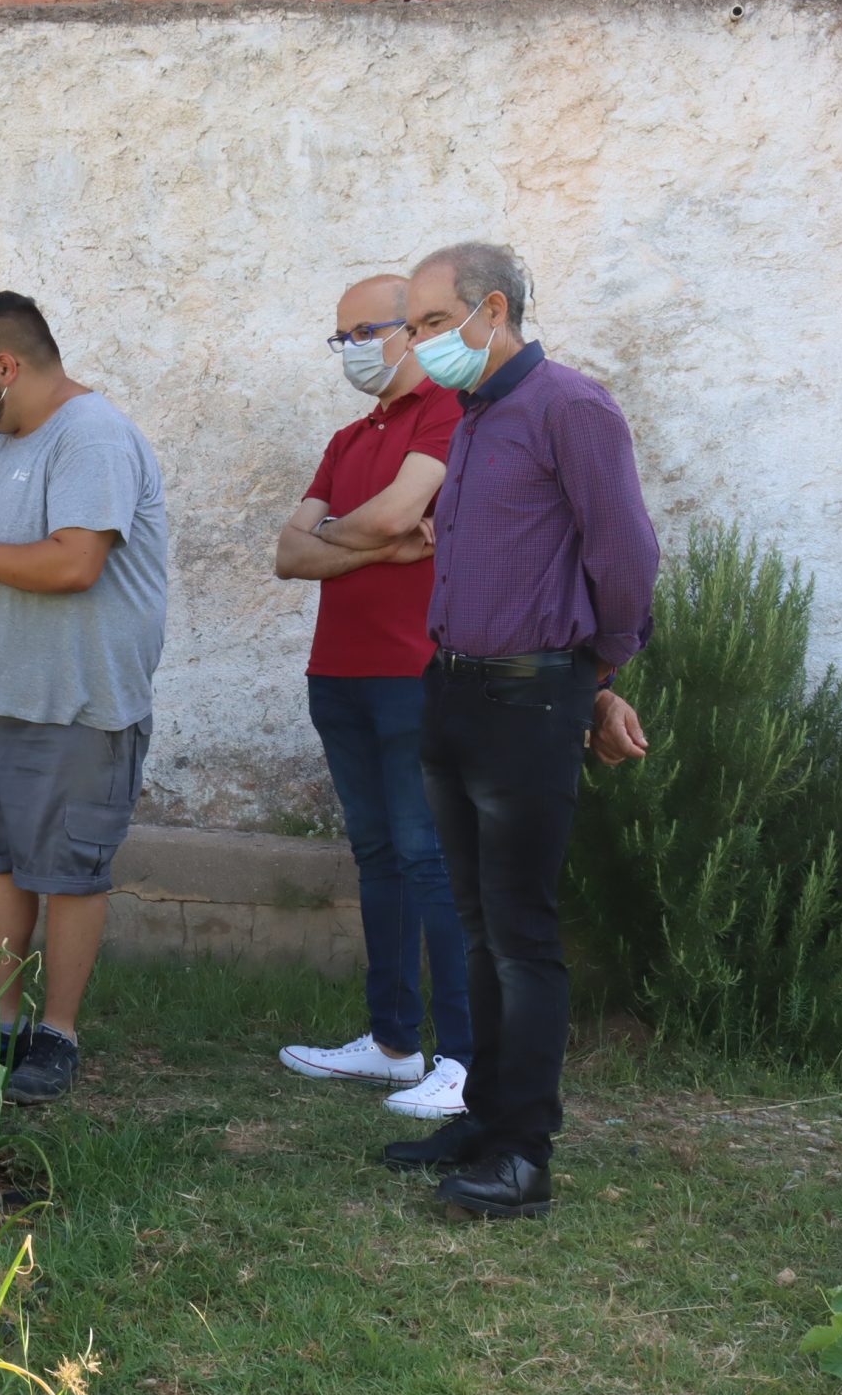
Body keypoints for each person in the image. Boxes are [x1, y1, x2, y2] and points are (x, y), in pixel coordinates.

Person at [382, 241, 657, 1218]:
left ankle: (521, 1156)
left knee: (521, 936)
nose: (413, 341)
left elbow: (623, 555)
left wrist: (598, 675)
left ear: (489, 310)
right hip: (455, 691)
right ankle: (482, 1114)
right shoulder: (476, 415)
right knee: (475, 926)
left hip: (528, 698)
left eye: (425, 322)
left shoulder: (569, 408)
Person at [0, 292, 170, 1106]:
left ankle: (58, 1035)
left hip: (75, 702)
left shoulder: (90, 436)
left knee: (70, 872)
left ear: (4, 366)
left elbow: (73, 564)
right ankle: (0, 1022)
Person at [272, 274, 476, 1125]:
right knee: (379, 857)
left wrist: (344, 535)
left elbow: (398, 512)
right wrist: (379, 549)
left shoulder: (446, 410)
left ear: (411, 330)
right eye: (341, 334)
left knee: (432, 861)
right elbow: (288, 553)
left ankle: (463, 1059)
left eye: (367, 330)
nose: (353, 347)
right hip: (339, 671)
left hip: (412, 669)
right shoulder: (348, 435)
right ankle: (394, 1043)